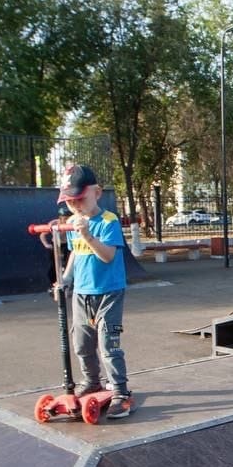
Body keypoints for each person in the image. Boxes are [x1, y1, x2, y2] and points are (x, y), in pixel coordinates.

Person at [57, 164, 134, 419]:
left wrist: (88, 235)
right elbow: (75, 254)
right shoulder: (72, 223)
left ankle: (120, 391)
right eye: (70, 201)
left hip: (109, 292)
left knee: (108, 344)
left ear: (97, 193)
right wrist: (66, 279)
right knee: (81, 343)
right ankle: (92, 381)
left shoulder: (108, 221)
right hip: (82, 293)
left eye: (80, 199)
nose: (75, 205)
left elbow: (108, 256)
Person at [39, 201, 73, 286]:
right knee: (54, 264)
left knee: (67, 263)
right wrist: (46, 245)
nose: (67, 221)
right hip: (55, 245)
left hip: (67, 245)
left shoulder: (72, 222)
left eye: (68, 218)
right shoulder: (54, 224)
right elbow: (42, 235)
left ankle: (66, 283)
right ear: (60, 218)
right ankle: (53, 283)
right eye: (65, 218)